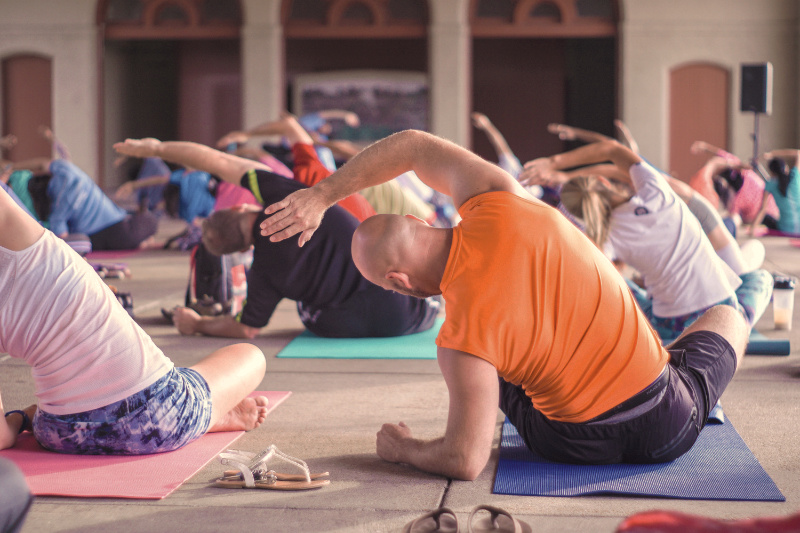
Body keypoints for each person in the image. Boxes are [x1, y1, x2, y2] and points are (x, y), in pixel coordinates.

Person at [257, 128, 750, 479]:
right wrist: (321, 196)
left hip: (570, 445)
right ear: (417, 220)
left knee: (492, 364)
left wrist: (404, 449)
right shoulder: (498, 197)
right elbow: (413, 145)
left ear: (398, 280)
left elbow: (464, 461)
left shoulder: (459, 343)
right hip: (667, 423)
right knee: (728, 314)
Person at [0, 184, 269, 455]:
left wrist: (20, 419)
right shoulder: (19, 233)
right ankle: (206, 415)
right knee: (251, 356)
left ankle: (205, 413)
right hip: (157, 419)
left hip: (61, 434)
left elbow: (1, 436)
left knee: (185, 385)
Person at [113, 127, 438, 340]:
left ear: (238, 252)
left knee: (306, 311)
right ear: (241, 208)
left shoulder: (263, 274)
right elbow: (219, 161)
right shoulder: (282, 197)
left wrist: (196, 325)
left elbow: (246, 328)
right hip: (406, 311)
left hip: (344, 327)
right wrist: (157, 147)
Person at [524, 139, 773, 341]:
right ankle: (737, 327)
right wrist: (554, 163)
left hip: (670, 328)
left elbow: (598, 284)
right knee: (761, 278)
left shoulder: (606, 234)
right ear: (602, 181)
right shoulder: (656, 191)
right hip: (721, 312)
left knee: (617, 284)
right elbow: (612, 149)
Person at [8, 157, 159, 251]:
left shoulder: (59, 209)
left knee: (142, 222)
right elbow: (41, 163)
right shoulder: (66, 169)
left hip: (109, 226)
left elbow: (62, 240)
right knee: (151, 221)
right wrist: (12, 167)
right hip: (110, 225)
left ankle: (139, 240)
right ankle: (139, 240)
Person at [751, 149, 800, 235]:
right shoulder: (794, 175)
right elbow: (798, 153)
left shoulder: (770, 184)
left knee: (766, 218)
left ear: (772, 172)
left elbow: (763, 209)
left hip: (784, 229)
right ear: (785, 167)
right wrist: (772, 154)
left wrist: (752, 229)